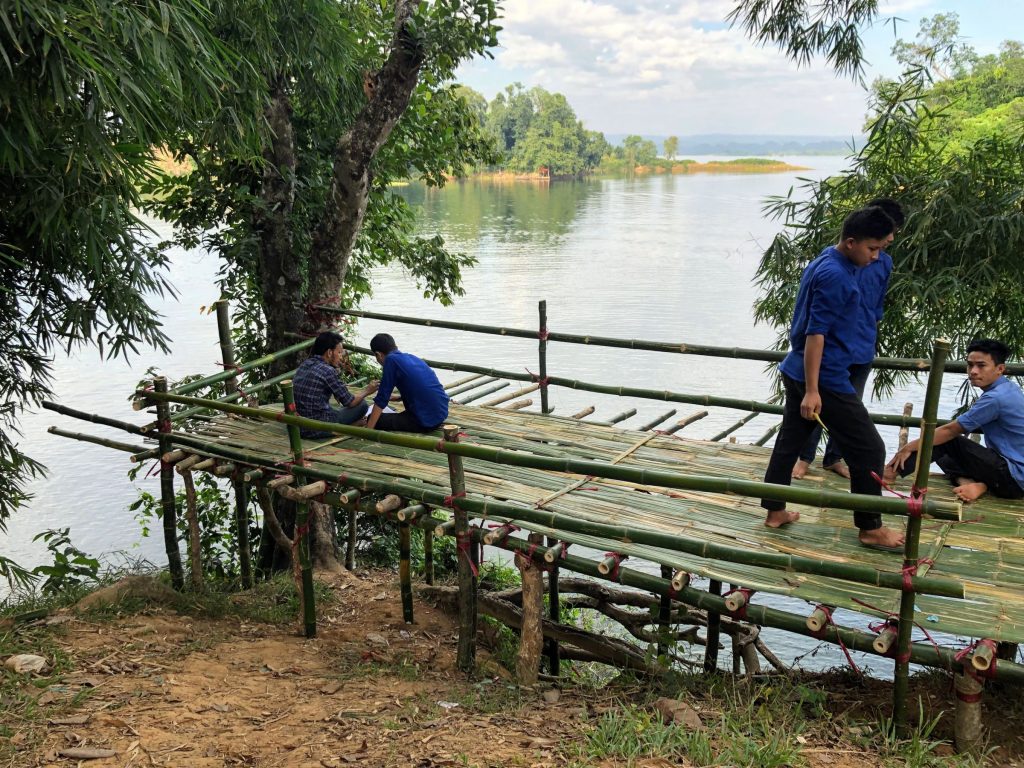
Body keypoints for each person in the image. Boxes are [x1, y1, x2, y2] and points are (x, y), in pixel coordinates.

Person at [760, 206, 905, 551]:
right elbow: (815, 333)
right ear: (851, 242)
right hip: (823, 376)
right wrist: (813, 390)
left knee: (790, 441)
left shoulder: (830, 260)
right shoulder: (835, 274)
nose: (876, 256)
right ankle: (870, 528)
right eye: (873, 249)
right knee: (870, 447)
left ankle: (774, 510)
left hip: (799, 368)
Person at [793, 198, 905, 480]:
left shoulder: (883, 263)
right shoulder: (836, 265)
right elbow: (817, 324)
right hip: (833, 351)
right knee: (818, 400)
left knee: (850, 408)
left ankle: (834, 457)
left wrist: (869, 323)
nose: (878, 253)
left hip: (862, 345)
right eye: (876, 245)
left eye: (885, 245)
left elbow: (877, 302)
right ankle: (804, 457)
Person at [886, 339, 1024, 503]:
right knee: (944, 456)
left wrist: (908, 447)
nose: (973, 371)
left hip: (1013, 479)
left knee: (947, 442)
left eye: (981, 366)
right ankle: (974, 484)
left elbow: (950, 431)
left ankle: (888, 474)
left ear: (1000, 369)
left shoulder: (995, 398)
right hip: (1012, 475)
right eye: (970, 365)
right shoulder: (1008, 388)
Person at [293, 331, 377, 437]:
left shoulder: (305, 364)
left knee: (336, 409)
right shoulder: (328, 370)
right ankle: (348, 427)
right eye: (339, 352)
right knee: (362, 405)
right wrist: (367, 390)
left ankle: (346, 427)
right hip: (316, 427)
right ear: (329, 352)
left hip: (298, 425)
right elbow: (350, 402)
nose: (341, 357)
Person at [364, 333, 449, 433]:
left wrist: (368, 431)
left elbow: (381, 399)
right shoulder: (411, 357)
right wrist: (399, 398)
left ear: (378, 355)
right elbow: (421, 386)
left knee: (373, 419)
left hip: (424, 422)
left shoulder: (390, 361)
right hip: (441, 414)